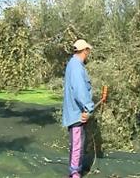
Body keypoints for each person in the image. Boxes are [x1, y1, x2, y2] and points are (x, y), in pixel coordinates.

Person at [62, 39, 95, 178]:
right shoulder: (76, 67)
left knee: (76, 145)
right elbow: (80, 91)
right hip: (77, 114)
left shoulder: (73, 64)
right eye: (88, 51)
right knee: (77, 146)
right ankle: (75, 175)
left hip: (74, 112)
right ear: (85, 51)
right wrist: (88, 109)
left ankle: (74, 172)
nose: (88, 54)